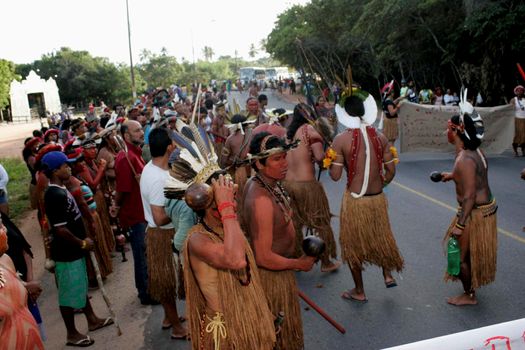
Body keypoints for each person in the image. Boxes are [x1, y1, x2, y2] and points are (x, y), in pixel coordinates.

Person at [330, 89, 404, 302]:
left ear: (345, 114)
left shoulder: (340, 140)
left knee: (353, 245)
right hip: (377, 197)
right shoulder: (380, 137)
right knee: (382, 237)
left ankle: (359, 291)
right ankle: (387, 274)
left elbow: (335, 176)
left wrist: (329, 162)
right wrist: (382, 183)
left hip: (355, 201)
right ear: (363, 111)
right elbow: (391, 171)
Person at [243, 132, 316, 350]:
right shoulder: (261, 200)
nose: (285, 163)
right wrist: (298, 264)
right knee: (278, 341)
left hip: (280, 272)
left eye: (285, 156)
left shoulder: (266, 183)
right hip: (271, 278)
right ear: (259, 163)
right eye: (277, 159)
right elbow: (263, 257)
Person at [42, 151, 113, 347]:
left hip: (75, 249)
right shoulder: (54, 195)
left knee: (80, 284)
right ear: (56, 171)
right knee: (68, 292)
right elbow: (60, 229)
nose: (70, 168)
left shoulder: (62, 189)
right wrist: (82, 243)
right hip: (66, 252)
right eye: (66, 166)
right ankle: (71, 333)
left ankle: (92, 319)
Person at [438, 94, 497, 306]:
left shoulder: (464, 159)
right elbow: (477, 177)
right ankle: (470, 290)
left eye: (448, 128)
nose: (446, 131)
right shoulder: (476, 152)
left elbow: (470, 194)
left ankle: (469, 295)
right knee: (468, 253)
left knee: (460, 256)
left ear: (457, 130)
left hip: (474, 213)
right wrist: (452, 175)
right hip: (486, 209)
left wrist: (460, 225)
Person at [139, 128, 187, 339]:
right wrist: (184, 210)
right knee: (167, 283)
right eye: (173, 143)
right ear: (169, 147)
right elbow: (159, 217)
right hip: (163, 234)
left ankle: (169, 318)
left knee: (168, 280)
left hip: (164, 233)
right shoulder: (158, 179)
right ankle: (177, 328)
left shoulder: (154, 167)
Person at [283, 103, 341, 272]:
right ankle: (326, 261)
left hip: (287, 185)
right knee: (320, 222)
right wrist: (329, 156)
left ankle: (297, 259)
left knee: (294, 223)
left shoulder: (288, 134)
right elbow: (320, 159)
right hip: (307, 185)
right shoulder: (310, 131)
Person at [112, 120, 154, 305]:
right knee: (141, 253)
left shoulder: (135, 155)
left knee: (146, 253)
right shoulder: (124, 158)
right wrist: (117, 205)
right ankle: (145, 293)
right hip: (135, 214)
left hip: (143, 211)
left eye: (141, 130)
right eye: (136, 131)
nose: (140, 133)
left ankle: (149, 288)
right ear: (126, 136)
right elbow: (122, 189)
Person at [0, 218, 45, 349]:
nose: (6, 230)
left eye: (3, 224)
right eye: (1, 226)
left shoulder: (5, 260)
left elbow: (10, 285)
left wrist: (25, 286)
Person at [511, 85, 525, 156]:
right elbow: (509, 110)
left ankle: (523, 150)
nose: (520, 92)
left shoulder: (524, 100)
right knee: (516, 137)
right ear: (516, 92)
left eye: (522, 90)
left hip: (524, 120)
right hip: (516, 120)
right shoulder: (514, 100)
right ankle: (515, 151)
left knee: (524, 137)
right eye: (518, 91)